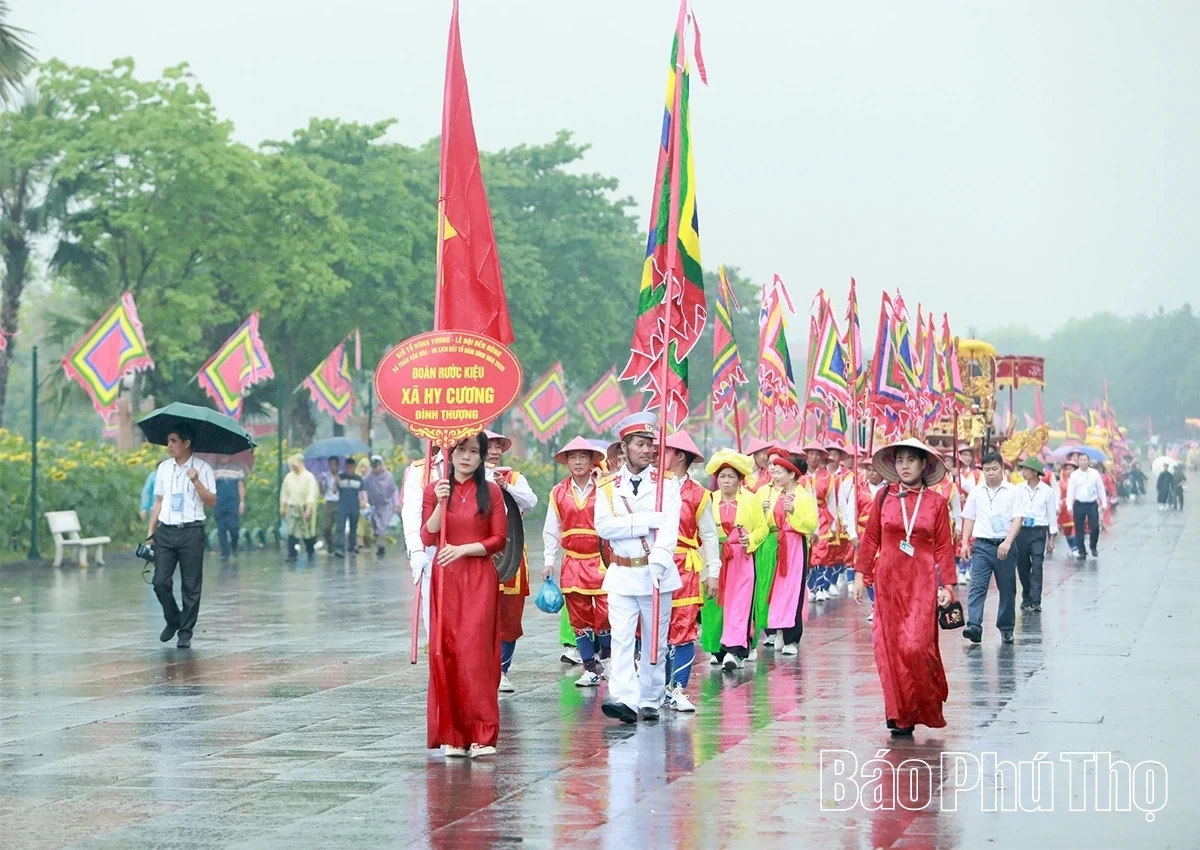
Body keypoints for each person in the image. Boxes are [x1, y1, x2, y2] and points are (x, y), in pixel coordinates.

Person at [851, 438, 956, 736]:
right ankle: (899, 715)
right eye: (900, 460)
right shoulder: (884, 497)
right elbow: (871, 538)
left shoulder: (936, 503)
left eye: (911, 460)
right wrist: (862, 575)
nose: (905, 466)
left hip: (921, 581)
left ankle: (924, 704)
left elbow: (945, 548)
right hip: (888, 581)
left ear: (924, 465)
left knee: (916, 646)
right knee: (890, 649)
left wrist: (948, 584)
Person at [420, 431, 507, 759]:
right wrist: (440, 504)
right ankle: (453, 735)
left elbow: (499, 539)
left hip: (478, 578)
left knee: (475, 652)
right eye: (460, 450)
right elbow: (427, 537)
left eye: (474, 451)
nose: (466, 457)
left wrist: (463, 550)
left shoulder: (492, 492)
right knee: (448, 651)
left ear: (483, 456)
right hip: (445, 580)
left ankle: (482, 733)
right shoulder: (434, 490)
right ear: (449, 452)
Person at [594, 412, 682, 724]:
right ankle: (625, 699)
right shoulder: (606, 486)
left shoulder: (667, 484)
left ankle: (650, 699)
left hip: (655, 572)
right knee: (621, 639)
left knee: (654, 640)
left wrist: (659, 560)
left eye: (650, 445)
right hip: (620, 574)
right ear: (624, 448)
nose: (647, 450)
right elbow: (604, 527)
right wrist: (643, 522)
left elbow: (669, 527)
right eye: (640, 444)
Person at [658, 430, 719, 713]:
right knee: (651, 628)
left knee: (683, 628)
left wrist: (713, 572)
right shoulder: (652, 486)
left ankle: (678, 688)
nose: (659, 456)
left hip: (684, 566)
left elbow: (708, 535)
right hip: (653, 564)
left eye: (666, 451)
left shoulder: (698, 494)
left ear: (680, 456)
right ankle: (654, 689)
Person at [542, 436, 609, 687]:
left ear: (593, 461)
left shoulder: (605, 488)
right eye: (573, 457)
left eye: (583, 457)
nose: (578, 462)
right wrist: (549, 560)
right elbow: (552, 528)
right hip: (573, 562)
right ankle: (590, 668)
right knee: (579, 620)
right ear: (567, 462)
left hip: (602, 561)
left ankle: (608, 661)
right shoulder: (558, 492)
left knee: (606, 615)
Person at [147, 424, 216, 650]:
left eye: (173, 441)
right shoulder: (164, 468)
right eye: (168, 441)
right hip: (166, 531)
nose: (169, 446)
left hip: (191, 531)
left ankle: (185, 631)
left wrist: (196, 481)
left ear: (186, 443)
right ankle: (173, 618)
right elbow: (158, 501)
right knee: (160, 582)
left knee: (190, 585)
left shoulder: (203, 468)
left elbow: (211, 501)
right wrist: (151, 532)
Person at [704, 449, 768, 670]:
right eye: (722, 476)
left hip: (741, 559)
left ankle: (736, 650)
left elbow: (763, 528)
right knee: (714, 604)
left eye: (731, 476)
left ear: (740, 480)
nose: (726, 481)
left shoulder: (750, 500)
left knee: (739, 604)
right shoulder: (709, 499)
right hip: (715, 557)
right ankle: (717, 647)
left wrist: (750, 539)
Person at [485, 430, 538, 694]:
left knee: (509, 615)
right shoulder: (467, 477)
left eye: (498, 447)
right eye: (489, 447)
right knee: (480, 614)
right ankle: (480, 670)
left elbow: (530, 502)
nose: (494, 452)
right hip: (481, 554)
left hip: (511, 553)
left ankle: (502, 671)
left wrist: (506, 487)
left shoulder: (513, 477)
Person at [960, 450, 1026, 644]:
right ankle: (974, 625)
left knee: (1007, 588)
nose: (990, 473)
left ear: (1002, 468)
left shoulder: (1013, 491)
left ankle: (1006, 627)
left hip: (1005, 546)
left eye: (994, 468)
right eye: (987, 469)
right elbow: (969, 518)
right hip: (982, 546)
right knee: (977, 587)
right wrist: (964, 543)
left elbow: (1018, 519)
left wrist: (1008, 541)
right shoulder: (976, 492)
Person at [763, 448, 818, 654]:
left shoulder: (803, 496)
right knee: (776, 589)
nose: (775, 475)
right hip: (779, 544)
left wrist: (794, 513)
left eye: (780, 472)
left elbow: (810, 525)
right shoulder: (780, 494)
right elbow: (771, 523)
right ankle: (777, 628)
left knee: (793, 590)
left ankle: (792, 638)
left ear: (792, 474)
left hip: (795, 545)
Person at [402, 445, 444, 648]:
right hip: (433, 553)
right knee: (435, 622)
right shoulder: (421, 471)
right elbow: (412, 515)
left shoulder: (482, 468)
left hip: (471, 554)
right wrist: (416, 551)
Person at [1014, 457, 1057, 613]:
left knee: (1037, 566)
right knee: (1023, 565)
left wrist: (1052, 538)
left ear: (1034, 472)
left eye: (1026, 469)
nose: (1023, 472)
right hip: (1022, 531)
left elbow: (1051, 515)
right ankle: (1026, 594)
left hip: (1039, 531)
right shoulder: (1018, 489)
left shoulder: (1047, 491)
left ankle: (1036, 600)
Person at [801, 442, 837, 601]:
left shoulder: (828, 477)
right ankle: (810, 587)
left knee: (821, 553)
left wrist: (834, 524)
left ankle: (821, 586)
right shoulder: (799, 474)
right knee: (808, 554)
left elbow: (832, 502)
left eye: (817, 454)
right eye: (811, 453)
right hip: (803, 516)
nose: (814, 457)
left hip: (822, 516)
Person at [1065, 451, 1106, 560]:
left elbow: (1100, 488)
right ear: (1078, 462)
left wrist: (1104, 503)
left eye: (1085, 460)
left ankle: (1093, 546)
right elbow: (1070, 491)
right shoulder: (1074, 475)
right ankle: (1081, 550)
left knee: (1095, 527)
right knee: (1079, 529)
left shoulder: (1094, 473)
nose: (1083, 462)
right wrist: (1069, 505)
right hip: (1079, 504)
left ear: (1088, 461)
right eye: (1081, 460)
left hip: (1092, 503)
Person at [280, 453, 319, 559]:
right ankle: (292, 553)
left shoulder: (309, 477)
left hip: (304, 507)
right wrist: (283, 508)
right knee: (291, 530)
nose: (293, 467)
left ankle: (310, 551)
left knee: (306, 531)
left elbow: (311, 493)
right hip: (291, 507)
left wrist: (309, 508)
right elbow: (284, 493)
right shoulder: (289, 477)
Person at [363, 455, 398, 557]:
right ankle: (379, 542)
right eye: (373, 465)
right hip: (374, 506)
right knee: (375, 526)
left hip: (386, 505)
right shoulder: (369, 477)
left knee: (383, 527)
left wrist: (396, 504)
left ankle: (381, 547)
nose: (375, 468)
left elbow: (393, 490)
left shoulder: (388, 476)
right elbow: (363, 487)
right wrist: (364, 501)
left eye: (377, 465)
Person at [213, 460, 246, 560]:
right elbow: (209, 485)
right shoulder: (215, 469)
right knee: (221, 528)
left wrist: (242, 502)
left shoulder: (237, 468)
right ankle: (225, 553)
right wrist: (214, 478)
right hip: (219, 502)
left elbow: (240, 486)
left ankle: (234, 546)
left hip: (233, 502)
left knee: (234, 527)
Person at [333, 457, 363, 557]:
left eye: (351, 467)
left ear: (354, 467)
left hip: (354, 506)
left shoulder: (358, 479)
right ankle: (340, 548)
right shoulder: (340, 477)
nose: (349, 469)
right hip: (342, 506)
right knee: (340, 527)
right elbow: (334, 491)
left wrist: (364, 503)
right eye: (347, 467)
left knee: (353, 527)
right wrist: (336, 481)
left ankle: (352, 547)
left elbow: (362, 492)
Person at [318, 456, 341, 552]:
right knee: (326, 527)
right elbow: (323, 492)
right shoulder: (326, 476)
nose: (333, 467)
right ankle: (330, 543)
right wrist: (319, 484)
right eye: (331, 465)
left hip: (339, 501)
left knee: (339, 526)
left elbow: (341, 490)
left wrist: (338, 483)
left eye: (334, 465)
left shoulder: (341, 475)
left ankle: (337, 546)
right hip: (329, 502)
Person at [1057, 459, 1078, 555]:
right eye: (1067, 469)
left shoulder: (1078, 481)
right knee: (1066, 531)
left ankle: (1075, 548)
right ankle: (1072, 548)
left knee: (1076, 527)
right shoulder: (1060, 482)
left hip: (1076, 506)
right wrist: (1057, 506)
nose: (1069, 471)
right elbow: (1057, 495)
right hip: (1064, 509)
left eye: (1071, 469)